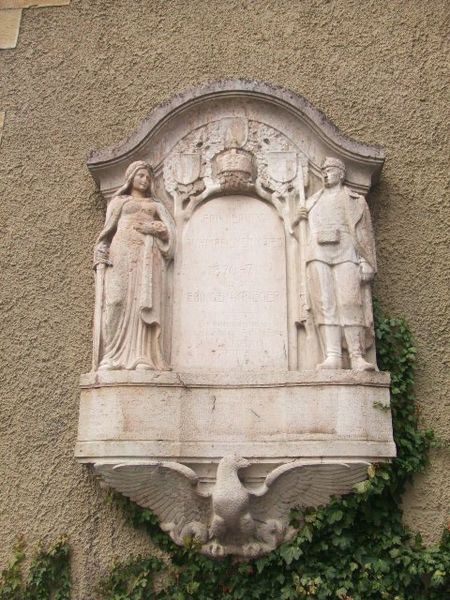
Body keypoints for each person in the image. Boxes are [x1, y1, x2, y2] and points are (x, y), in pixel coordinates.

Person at [294, 157, 376, 371]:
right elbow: (294, 230)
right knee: (325, 304)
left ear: (341, 173)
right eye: (323, 170)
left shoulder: (354, 200)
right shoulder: (311, 201)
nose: (325, 173)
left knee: (350, 302)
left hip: (346, 252)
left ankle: (357, 356)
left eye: (330, 170)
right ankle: (333, 355)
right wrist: (298, 215)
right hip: (318, 253)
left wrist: (366, 261)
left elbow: (364, 235)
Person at [93, 160, 175, 370]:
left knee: (141, 303)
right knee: (115, 302)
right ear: (130, 177)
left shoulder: (156, 206)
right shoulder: (119, 202)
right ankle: (111, 356)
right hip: (119, 254)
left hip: (145, 258)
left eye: (148, 177)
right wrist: (100, 254)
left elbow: (170, 234)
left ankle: (142, 357)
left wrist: (154, 228)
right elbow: (106, 234)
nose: (145, 180)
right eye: (141, 176)